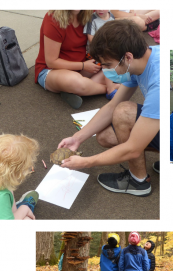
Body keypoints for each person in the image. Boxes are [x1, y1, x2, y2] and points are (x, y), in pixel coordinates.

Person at [57, 20, 160, 196]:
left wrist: (86, 162)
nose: (103, 70)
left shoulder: (159, 83)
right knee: (106, 136)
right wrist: (78, 138)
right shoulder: (142, 59)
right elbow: (112, 105)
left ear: (127, 57)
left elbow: (133, 148)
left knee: (124, 112)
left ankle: (139, 181)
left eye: (107, 64)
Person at [35, 10, 111, 109]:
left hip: (83, 66)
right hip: (51, 70)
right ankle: (108, 89)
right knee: (75, 82)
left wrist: (134, 17)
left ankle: (83, 89)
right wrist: (83, 65)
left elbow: (112, 13)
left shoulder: (89, 12)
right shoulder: (53, 19)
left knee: (117, 63)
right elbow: (51, 62)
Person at [0, 134, 39, 220]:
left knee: (8, 188)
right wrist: (24, 209)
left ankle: (9, 211)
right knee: (28, 220)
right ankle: (24, 205)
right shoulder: (1, 196)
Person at [83, 10, 120, 100]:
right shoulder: (92, 19)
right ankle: (111, 89)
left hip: (107, 51)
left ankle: (88, 88)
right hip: (95, 52)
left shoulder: (111, 17)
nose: (100, 9)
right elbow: (91, 40)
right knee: (108, 64)